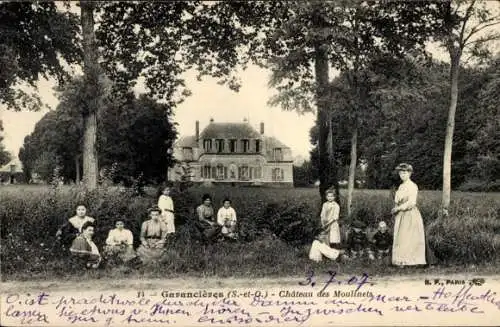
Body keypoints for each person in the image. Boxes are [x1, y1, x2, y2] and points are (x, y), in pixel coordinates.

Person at [391, 163, 426, 267]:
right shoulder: (401, 186)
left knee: (409, 237)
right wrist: (396, 208)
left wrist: (399, 208)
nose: (402, 175)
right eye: (400, 173)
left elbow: (412, 202)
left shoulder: (412, 186)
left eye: (405, 173)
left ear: (410, 173)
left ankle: (412, 261)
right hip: (401, 214)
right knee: (401, 237)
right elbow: (398, 200)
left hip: (410, 214)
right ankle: (401, 260)